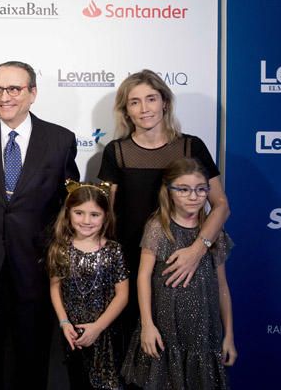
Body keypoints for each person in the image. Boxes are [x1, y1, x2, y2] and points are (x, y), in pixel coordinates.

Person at [0, 60, 79, 390]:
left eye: (14, 89)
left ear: (33, 93)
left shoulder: (60, 140)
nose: (4, 96)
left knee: (32, 357)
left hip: (36, 265)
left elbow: (67, 208)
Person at [97, 70, 230, 359]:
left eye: (151, 99)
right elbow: (106, 214)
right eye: (135, 102)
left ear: (165, 103)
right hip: (132, 263)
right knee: (134, 350)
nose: (144, 109)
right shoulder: (116, 152)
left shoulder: (190, 147)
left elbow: (221, 205)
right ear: (126, 110)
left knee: (182, 353)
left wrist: (197, 250)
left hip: (181, 262)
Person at [121, 158, 237, 389]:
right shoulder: (158, 228)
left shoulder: (214, 234)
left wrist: (229, 335)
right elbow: (143, 277)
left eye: (201, 189)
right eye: (184, 189)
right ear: (169, 191)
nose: (193, 196)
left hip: (205, 332)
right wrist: (147, 325)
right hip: (165, 330)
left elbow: (222, 286)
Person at [48, 181, 129, 390]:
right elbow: (55, 287)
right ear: (68, 214)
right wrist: (64, 322)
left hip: (106, 334)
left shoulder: (114, 250)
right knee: (77, 381)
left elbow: (122, 295)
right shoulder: (60, 249)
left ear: (105, 216)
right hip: (72, 334)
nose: (86, 220)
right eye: (79, 213)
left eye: (94, 214)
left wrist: (98, 327)